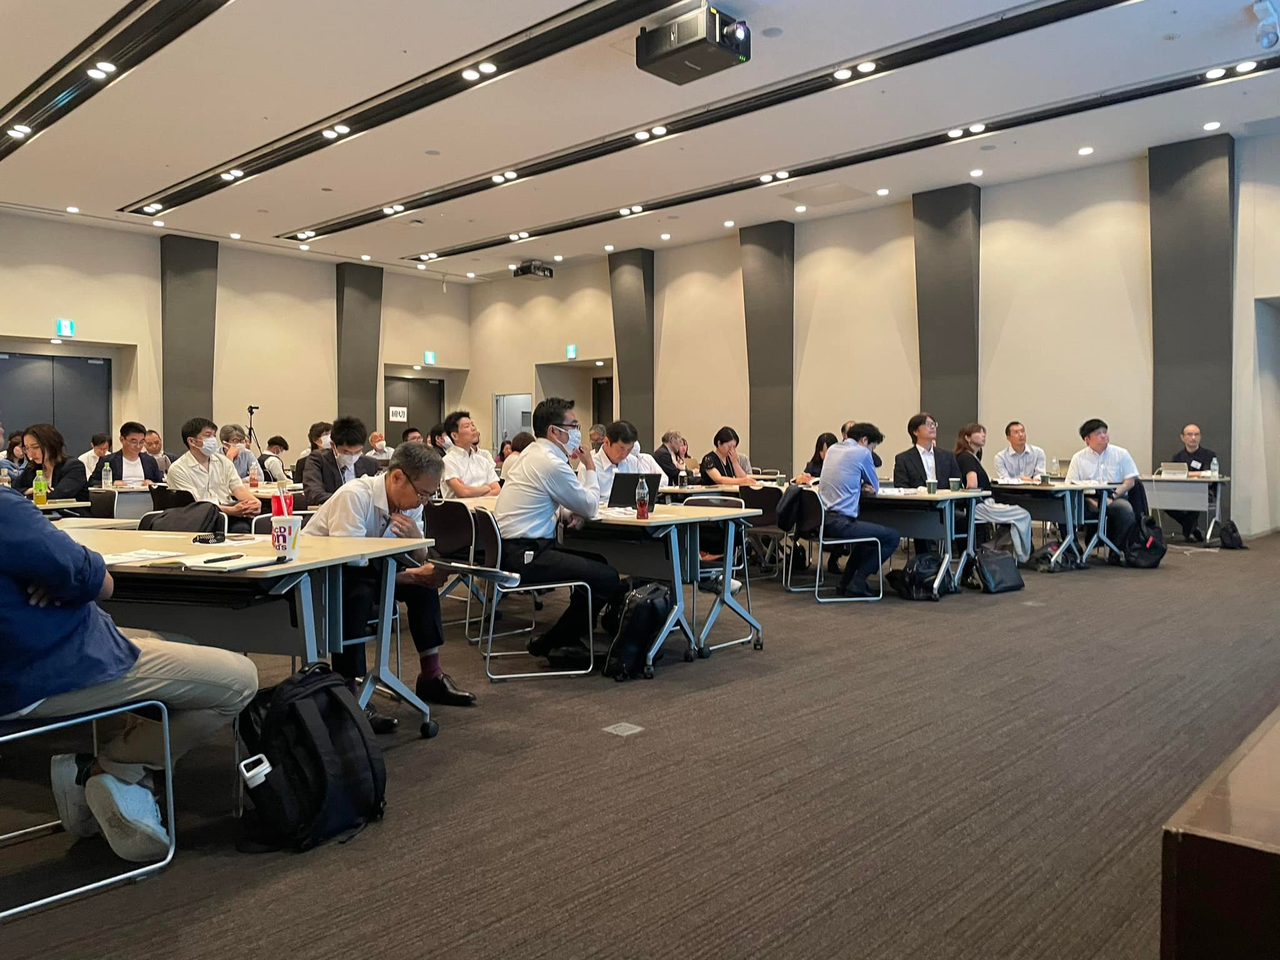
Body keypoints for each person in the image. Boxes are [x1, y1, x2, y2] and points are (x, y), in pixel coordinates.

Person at [1, 488, 257, 862]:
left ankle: (118, 778)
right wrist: (65, 577)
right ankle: (112, 769)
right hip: (50, 668)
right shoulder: (6, 510)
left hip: (37, 660)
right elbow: (103, 583)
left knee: (180, 645)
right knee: (240, 681)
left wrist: (58, 577)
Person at [301, 442, 474, 732]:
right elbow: (350, 563)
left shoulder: (410, 503)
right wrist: (407, 576)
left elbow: (416, 558)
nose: (424, 502)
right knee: (357, 594)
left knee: (424, 587)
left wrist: (417, 543)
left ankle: (431, 676)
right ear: (397, 477)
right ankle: (348, 693)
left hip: (374, 571)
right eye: (422, 494)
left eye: (430, 495)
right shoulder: (355, 496)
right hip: (326, 578)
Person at [494, 397, 621, 665]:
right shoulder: (550, 462)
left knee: (598, 563)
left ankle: (565, 637)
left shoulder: (533, 453)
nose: (577, 432)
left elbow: (544, 500)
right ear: (554, 431)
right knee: (607, 577)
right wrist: (590, 466)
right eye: (573, 426)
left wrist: (566, 513)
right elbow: (590, 507)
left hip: (514, 548)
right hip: (526, 554)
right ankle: (557, 640)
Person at [817, 423, 900, 597]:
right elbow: (875, 486)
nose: (872, 451)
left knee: (866, 540)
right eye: (872, 447)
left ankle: (845, 583)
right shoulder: (862, 453)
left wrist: (858, 484)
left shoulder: (832, 449)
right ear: (864, 440)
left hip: (822, 520)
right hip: (840, 523)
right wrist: (864, 485)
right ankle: (859, 581)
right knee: (892, 537)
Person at [165, 417, 261, 532]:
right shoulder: (178, 469)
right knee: (235, 527)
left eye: (214, 435)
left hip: (227, 508)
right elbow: (197, 504)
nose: (213, 439)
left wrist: (254, 502)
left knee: (245, 525)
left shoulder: (223, 462)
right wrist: (232, 511)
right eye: (208, 435)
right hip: (199, 517)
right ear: (192, 441)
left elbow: (239, 489)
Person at [954, 423, 1033, 563]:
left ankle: (996, 547)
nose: (983, 435)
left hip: (976, 504)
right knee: (1023, 515)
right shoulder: (967, 458)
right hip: (979, 505)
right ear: (967, 438)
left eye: (984, 433)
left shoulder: (970, 457)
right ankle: (1022, 556)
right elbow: (972, 485)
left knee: (1014, 518)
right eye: (979, 433)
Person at [1066, 418, 1141, 558]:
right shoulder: (1078, 458)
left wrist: (1112, 497)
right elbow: (1071, 485)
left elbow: (1130, 481)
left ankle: (1117, 551)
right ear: (1087, 440)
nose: (1103, 436)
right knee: (1065, 509)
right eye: (1098, 433)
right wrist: (1092, 501)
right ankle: (1073, 550)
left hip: (1115, 497)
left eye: (1105, 432)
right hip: (1087, 499)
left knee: (1125, 510)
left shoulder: (1121, 454)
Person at [302, 416, 379, 507]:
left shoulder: (371, 464)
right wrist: (351, 500)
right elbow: (314, 494)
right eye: (346, 452)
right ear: (333, 446)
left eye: (357, 452)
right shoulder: (318, 460)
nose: (352, 456)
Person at [1165, 423, 1218, 542]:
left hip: (1204, 492)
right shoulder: (1178, 457)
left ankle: (1188, 530)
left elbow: (1207, 473)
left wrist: (1187, 474)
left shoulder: (1209, 455)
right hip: (1181, 492)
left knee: (1194, 498)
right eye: (1189, 434)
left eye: (1196, 434)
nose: (1193, 438)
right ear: (1182, 437)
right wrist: (1194, 474)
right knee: (1164, 501)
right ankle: (1191, 527)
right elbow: (1173, 474)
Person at [16, 424, 89, 503]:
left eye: (36, 447)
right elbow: (12, 490)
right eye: (26, 448)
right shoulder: (32, 468)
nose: (30, 454)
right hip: (38, 510)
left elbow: (59, 495)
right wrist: (31, 490)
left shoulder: (74, 466)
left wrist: (29, 495)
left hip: (67, 510)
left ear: (51, 445)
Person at [580, 420, 652, 499]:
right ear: (607, 442)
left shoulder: (633, 462)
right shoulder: (588, 466)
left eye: (629, 449)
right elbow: (583, 501)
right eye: (621, 448)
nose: (624, 454)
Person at [892, 412, 962, 489]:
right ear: (915, 431)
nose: (933, 427)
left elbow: (957, 484)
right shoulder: (903, 459)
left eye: (934, 424)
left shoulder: (948, 457)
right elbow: (901, 488)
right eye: (928, 424)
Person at [441, 410, 500, 499]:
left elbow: (497, 489)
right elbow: (463, 492)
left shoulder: (483, 461)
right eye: (467, 426)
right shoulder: (448, 461)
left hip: (485, 507)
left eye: (472, 425)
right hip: (459, 508)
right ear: (454, 436)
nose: (473, 428)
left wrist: (474, 495)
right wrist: (486, 488)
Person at [89, 421, 163, 487]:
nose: (138, 446)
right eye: (134, 442)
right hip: (119, 496)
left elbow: (161, 482)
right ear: (122, 439)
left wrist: (153, 484)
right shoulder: (108, 460)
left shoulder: (149, 460)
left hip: (146, 496)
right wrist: (112, 483)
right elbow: (92, 482)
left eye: (141, 442)